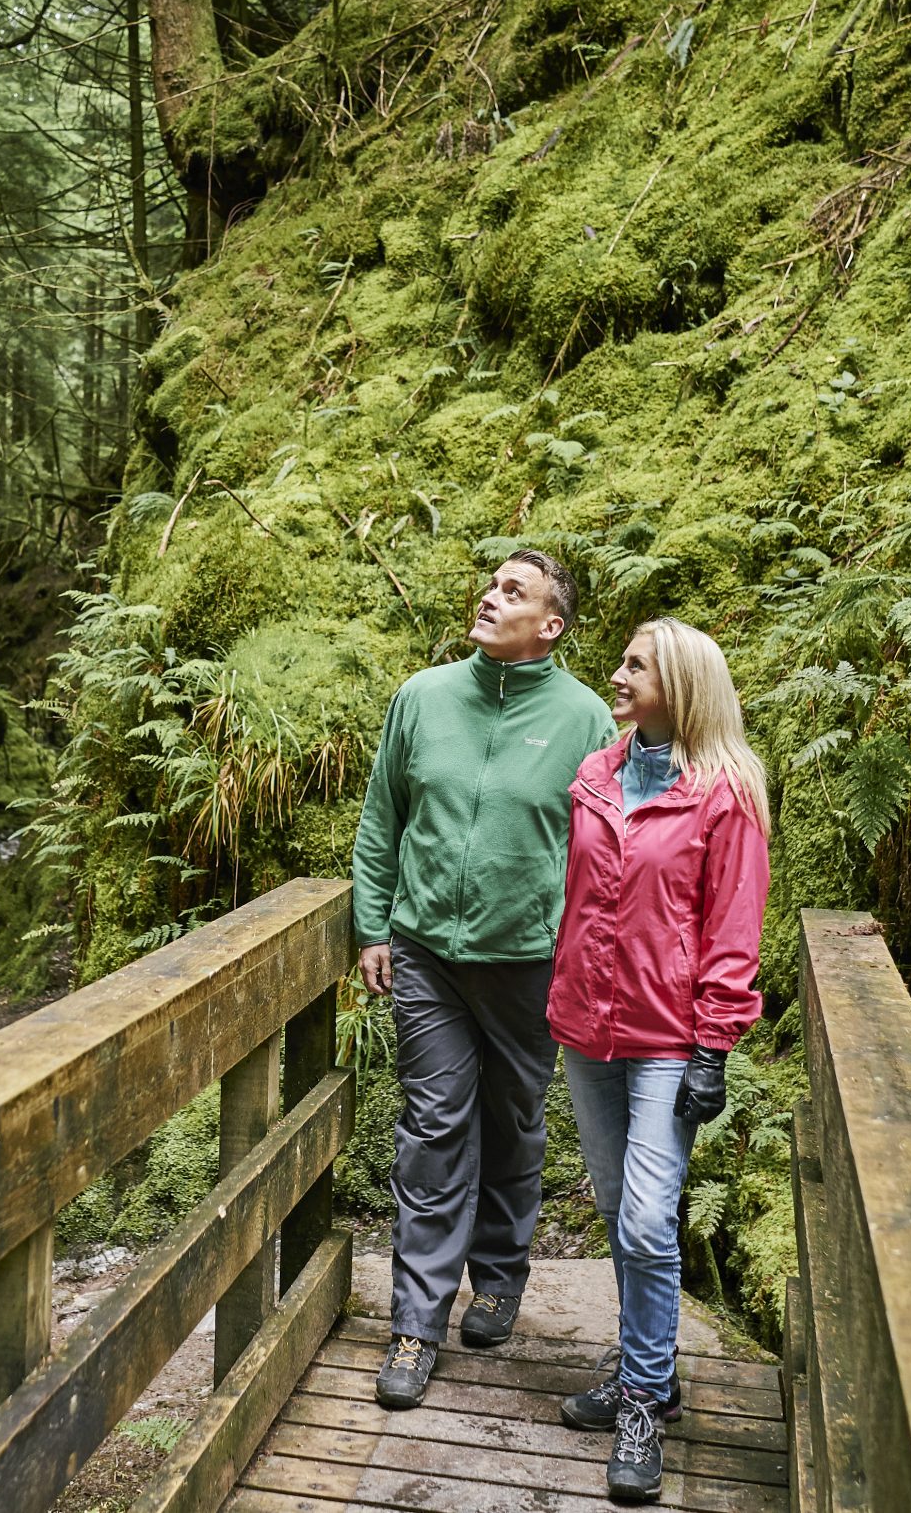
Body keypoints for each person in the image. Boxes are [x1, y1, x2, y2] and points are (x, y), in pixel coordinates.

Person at [351, 549, 616, 1410]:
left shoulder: (584, 720)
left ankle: (499, 1277)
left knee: (512, 1119)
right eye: (490, 583)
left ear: (552, 625)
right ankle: (415, 1324)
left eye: (515, 591)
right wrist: (373, 924)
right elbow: (383, 815)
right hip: (426, 951)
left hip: (529, 960)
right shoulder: (423, 697)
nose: (489, 596)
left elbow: (605, 852)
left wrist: (583, 952)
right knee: (432, 1127)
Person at [547, 617, 770, 1504]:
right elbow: (577, 897)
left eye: (636, 664)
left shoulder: (727, 794)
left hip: (669, 1040)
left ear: (678, 684)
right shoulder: (597, 774)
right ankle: (655, 1369)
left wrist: (715, 1041)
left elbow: (733, 927)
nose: (619, 672)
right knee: (615, 1207)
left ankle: (643, 1402)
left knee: (646, 1220)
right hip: (587, 1031)